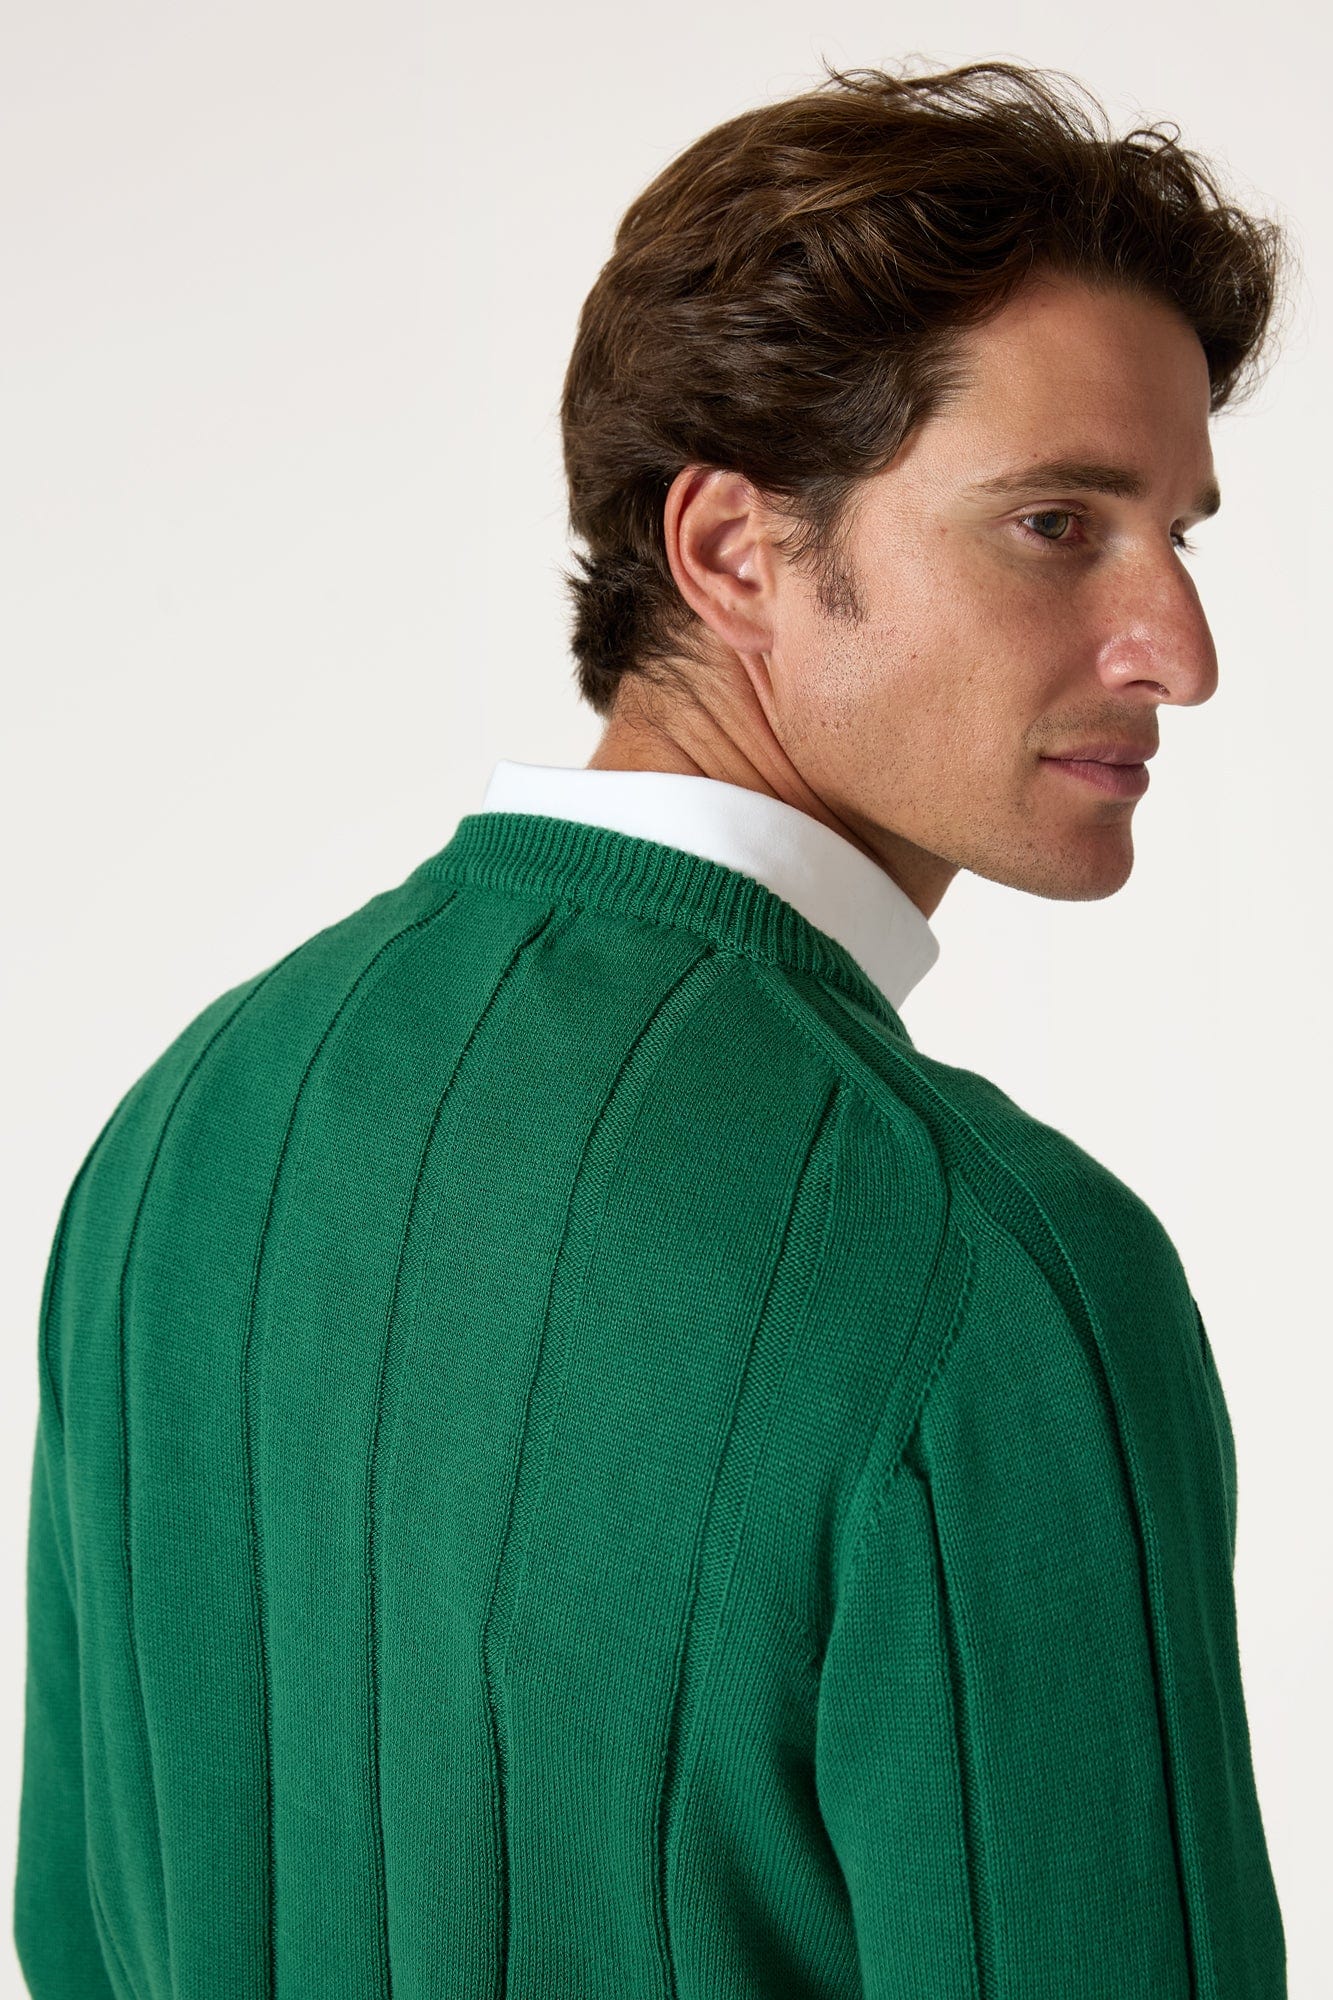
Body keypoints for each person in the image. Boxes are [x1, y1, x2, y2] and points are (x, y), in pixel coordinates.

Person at [14, 57, 1291, 1998]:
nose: (1177, 650)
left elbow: (82, 1929)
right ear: (727, 552)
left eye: (1179, 534)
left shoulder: (194, 1121)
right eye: (1055, 523)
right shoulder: (985, 1272)